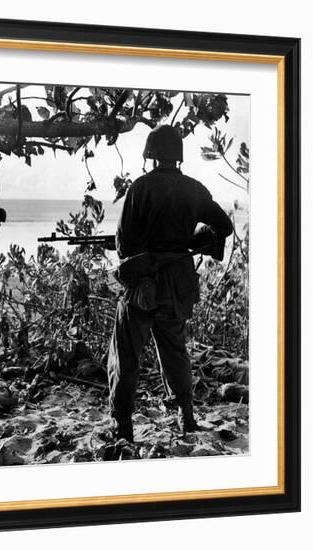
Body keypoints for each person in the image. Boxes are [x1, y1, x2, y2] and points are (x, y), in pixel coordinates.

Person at [107, 125, 233, 442]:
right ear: (177, 156)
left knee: (126, 355)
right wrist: (193, 240)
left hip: (144, 285)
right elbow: (224, 226)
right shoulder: (194, 189)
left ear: (151, 155)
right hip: (178, 284)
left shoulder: (140, 188)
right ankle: (186, 417)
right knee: (175, 352)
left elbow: (124, 245)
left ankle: (122, 424)